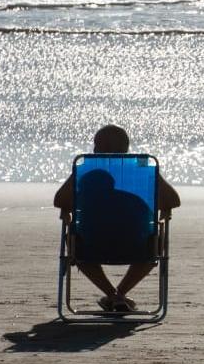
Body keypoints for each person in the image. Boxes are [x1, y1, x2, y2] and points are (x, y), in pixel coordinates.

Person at [54, 124, 180, 313]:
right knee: (156, 239)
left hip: (90, 247)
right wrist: (160, 190)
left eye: (96, 145)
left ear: (98, 147)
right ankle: (119, 295)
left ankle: (113, 295)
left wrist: (74, 189)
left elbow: (59, 201)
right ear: (126, 147)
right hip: (138, 248)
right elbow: (173, 201)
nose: (94, 149)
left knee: (74, 239)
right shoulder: (142, 168)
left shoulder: (85, 169)